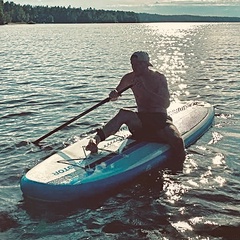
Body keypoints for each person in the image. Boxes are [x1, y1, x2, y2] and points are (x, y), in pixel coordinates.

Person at [86, 51, 185, 168]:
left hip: (160, 121)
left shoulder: (159, 78)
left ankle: (178, 170)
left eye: (137, 64)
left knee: (177, 141)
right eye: (132, 64)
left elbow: (166, 103)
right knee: (123, 113)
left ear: (146, 64)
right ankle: (95, 140)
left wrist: (145, 89)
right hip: (140, 123)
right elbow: (116, 94)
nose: (134, 67)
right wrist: (114, 94)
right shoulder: (129, 78)